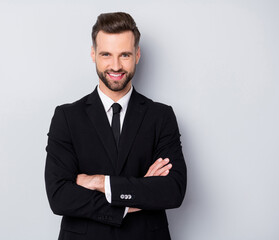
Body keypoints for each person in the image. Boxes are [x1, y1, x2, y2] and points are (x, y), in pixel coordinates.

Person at [45, 12, 187, 240]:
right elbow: (59, 196)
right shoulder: (67, 117)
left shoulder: (161, 116)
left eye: (125, 55)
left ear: (137, 55)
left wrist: (99, 182)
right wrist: (136, 195)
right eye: (106, 54)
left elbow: (172, 191)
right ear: (93, 54)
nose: (115, 65)